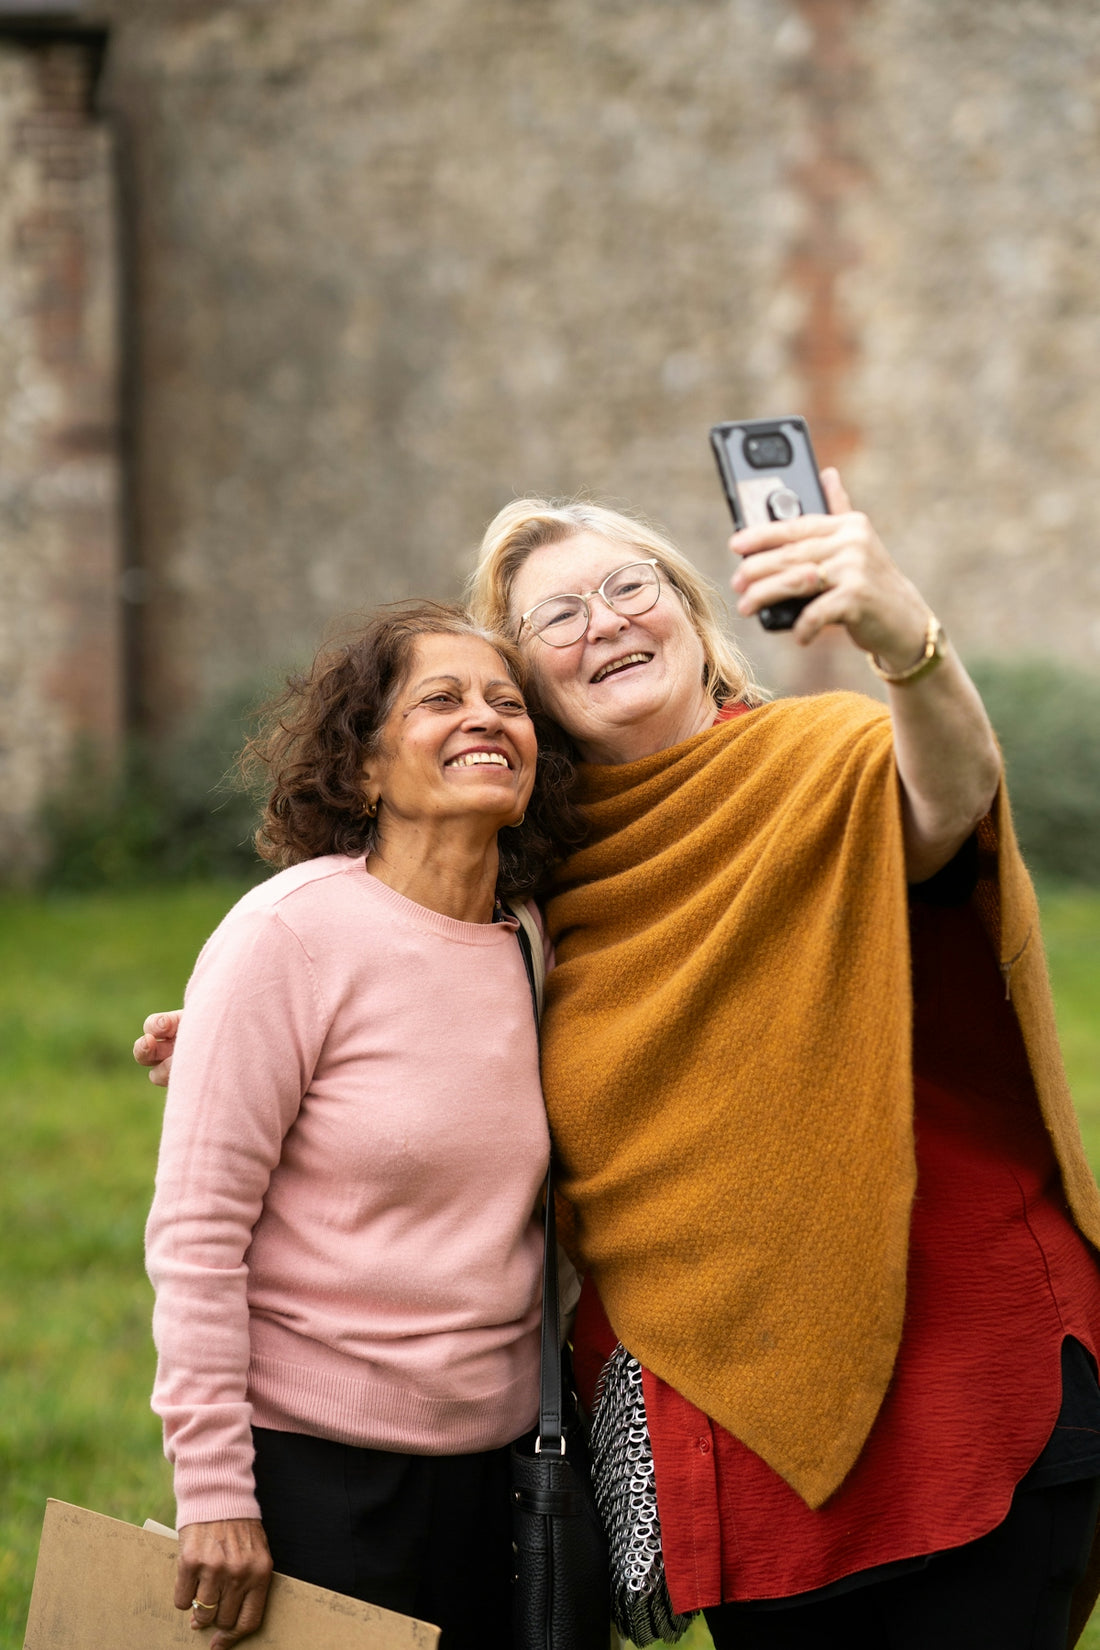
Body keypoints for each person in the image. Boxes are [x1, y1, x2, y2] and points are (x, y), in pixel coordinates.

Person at [139, 473, 1100, 1648]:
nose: (601, 622)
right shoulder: (542, 893)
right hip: (737, 1430)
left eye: (627, 588)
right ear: (538, 697)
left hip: (955, 1384)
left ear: (695, 623)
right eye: (555, 619)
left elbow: (944, 802)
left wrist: (903, 644)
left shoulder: (832, 754)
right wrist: (250, 1046)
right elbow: (443, 1034)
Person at [141, 602, 580, 1650]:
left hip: (507, 1475)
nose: (484, 718)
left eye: (507, 703)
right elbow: (197, 1238)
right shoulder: (288, 935)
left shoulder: (533, 947)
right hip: (317, 1476)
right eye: (441, 698)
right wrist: (213, 1491)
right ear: (366, 769)